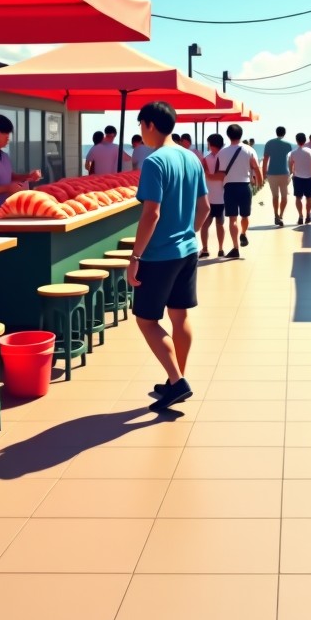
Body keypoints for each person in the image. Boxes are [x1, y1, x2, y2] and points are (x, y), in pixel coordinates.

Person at [127, 101, 209, 411]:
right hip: (187, 250)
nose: (141, 133)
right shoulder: (192, 159)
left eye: (140, 126)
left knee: (146, 320)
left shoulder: (154, 162)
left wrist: (135, 256)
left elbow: (151, 214)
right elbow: (204, 209)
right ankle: (178, 379)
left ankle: (176, 381)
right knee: (180, 315)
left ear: (149, 124)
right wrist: (188, 233)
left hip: (159, 255)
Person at [209, 123, 262, 258]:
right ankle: (243, 233)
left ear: (228, 135)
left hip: (229, 187)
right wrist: (259, 183)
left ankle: (235, 248)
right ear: (241, 134)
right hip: (245, 186)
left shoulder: (222, 152)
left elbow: (220, 173)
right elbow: (256, 168)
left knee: (232, 218)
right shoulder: (249, 150)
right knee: (245, 216)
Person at [199, 133, 226, 257]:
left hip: (211, 196)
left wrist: (209, 176)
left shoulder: (207, 159)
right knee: (218, 224)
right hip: (219, 196)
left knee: (207, 224)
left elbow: (218, 176)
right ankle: (219, 249)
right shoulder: (223, 157)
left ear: (211, 144)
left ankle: (206, 249)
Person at [262, 126, 292, 227]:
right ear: (284, 133)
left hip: (271, 173)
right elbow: (291, 159)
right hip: (284, 172)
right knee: (284, 196)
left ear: (276, 132)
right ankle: (281, 216)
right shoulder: (288, 144)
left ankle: (275, 215)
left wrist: (263, 173)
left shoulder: (269, 143)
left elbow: (265, 159)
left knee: (275, 196)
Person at [289, 132, 311, 225]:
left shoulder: (293, 153)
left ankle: (300, 216)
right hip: (309, 177)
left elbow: (290, 167)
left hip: (297, 178)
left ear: (296, 141)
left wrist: (292, 174)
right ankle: (308, 215)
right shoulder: (310, 151)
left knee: (298, 198)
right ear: (305, 140)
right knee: (308, 198)